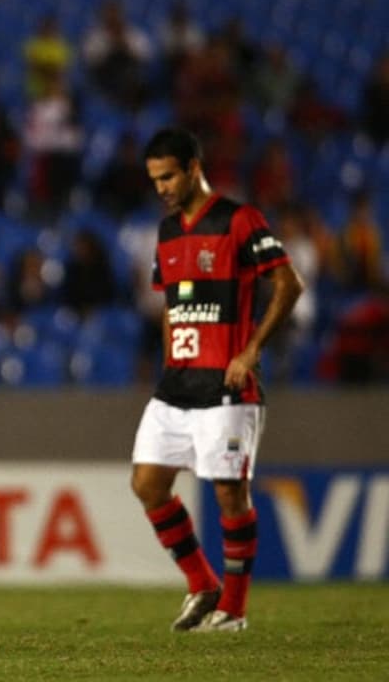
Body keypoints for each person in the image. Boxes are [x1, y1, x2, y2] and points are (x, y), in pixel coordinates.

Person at [130, 129, 302, 633]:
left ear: (192, 168)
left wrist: (251, 350)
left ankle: (235, 610)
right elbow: (170, 306)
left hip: (227, 385)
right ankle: (203, 583)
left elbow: (289, 283)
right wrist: (167, 361)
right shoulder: (167, 232)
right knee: (147, 484)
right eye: (154, 179)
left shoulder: (239, 220)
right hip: (178, 384)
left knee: (230, 493)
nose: (160, 187)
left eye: (167, 176)